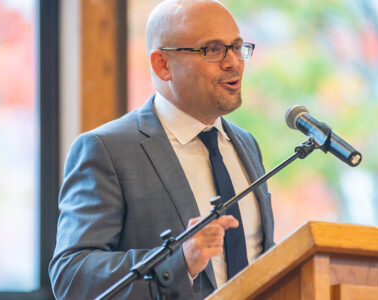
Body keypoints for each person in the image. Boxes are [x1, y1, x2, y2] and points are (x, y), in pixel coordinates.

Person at [49, 0, 274, 299]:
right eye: (213, 50)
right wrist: (180, 260)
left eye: (237, 46)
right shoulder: (108, 150)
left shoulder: (246, 144)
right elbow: (71, 276)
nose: (233, 61)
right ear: (162, 65)